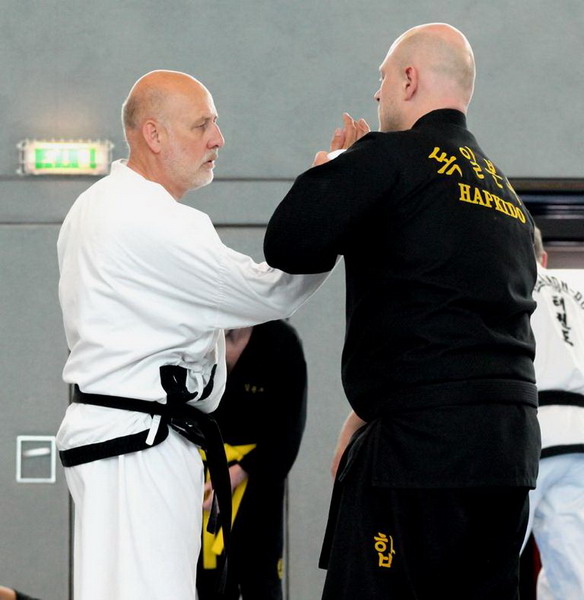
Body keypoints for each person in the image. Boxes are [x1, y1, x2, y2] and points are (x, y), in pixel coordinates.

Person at [264, 23, 540, 600]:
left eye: (382, 78)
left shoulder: (388, 158)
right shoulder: (507, 198)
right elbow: (452, 324)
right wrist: (364, 414)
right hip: (507, 454)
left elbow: (288, 242)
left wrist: (329, 170)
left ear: (409, 79)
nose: (377, 94)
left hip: (422, 455)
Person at [56, 70, 331, 600]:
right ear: (154, 135)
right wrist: (331, 201)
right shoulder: (149, 218)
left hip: (123, 441)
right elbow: (269, 294)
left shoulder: (93, 207)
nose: (218, 139)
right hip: (139, 447)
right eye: (202, 124)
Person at [196, 320, 307, 600]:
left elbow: (288, 429)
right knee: (205, 582)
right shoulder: (196, 335)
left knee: (260, 580)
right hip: (199, 480)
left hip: (259, 482)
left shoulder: (279, 341)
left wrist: (239, 472)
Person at [520, 228, 584, 600]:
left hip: (529, 431)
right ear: (544, 258)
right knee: (573, 572)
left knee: (483, 558)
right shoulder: (577, 294)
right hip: (580, 439)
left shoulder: (507, 282)